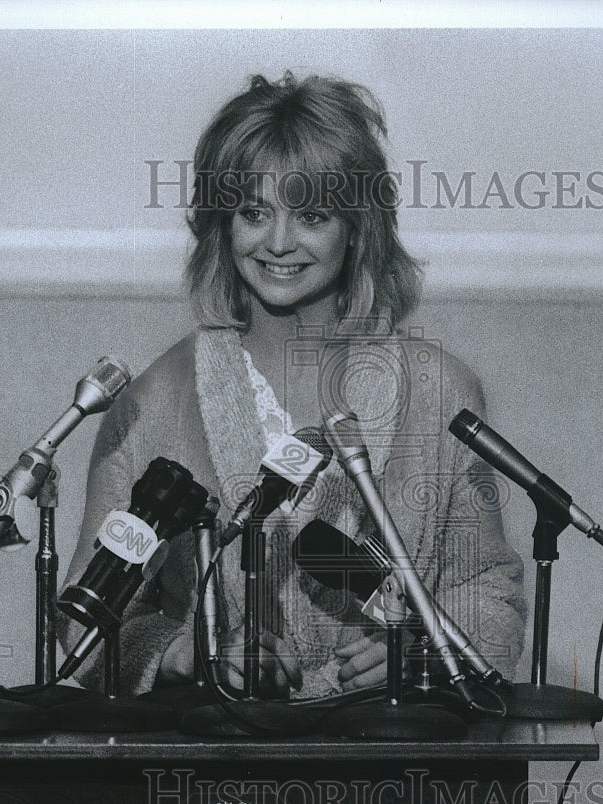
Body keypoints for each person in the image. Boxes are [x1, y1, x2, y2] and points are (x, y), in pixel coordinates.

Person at [59, 71, 526, 701]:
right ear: (222, 223)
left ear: (358, 225)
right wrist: (187, 652)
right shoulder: (154, 400)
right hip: (213, 778)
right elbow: (83, 624)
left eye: (310, 214)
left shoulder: (441, 390)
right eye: (254, 212)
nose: (278, 243)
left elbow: (487, 590)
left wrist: (419, 651)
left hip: (395, 773)